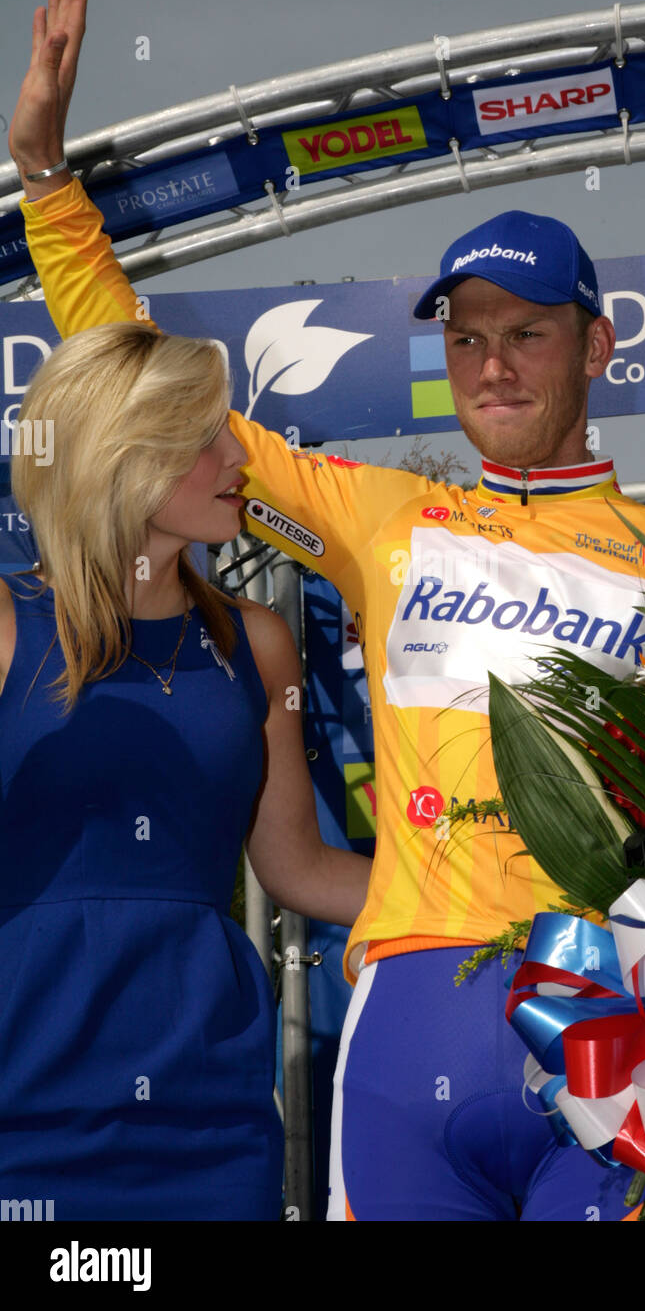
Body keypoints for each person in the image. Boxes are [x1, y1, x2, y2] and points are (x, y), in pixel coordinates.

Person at [10, 0, 645, 1222]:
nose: (492, 362)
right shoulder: (380, 515)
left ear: (598, 344)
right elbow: (153, 409)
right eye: (465, 335)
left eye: (527, 331)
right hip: (412, 1016)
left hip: (612, 1008)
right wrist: (49, 188)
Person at [0, 317, 371, 1219]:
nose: (235, 455)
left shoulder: (257, 642)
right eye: (205, 437)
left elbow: (298, 868)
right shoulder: (8, 625)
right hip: (22, 1104)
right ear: (126, 457)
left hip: (214, 1112)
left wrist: (504, 897)